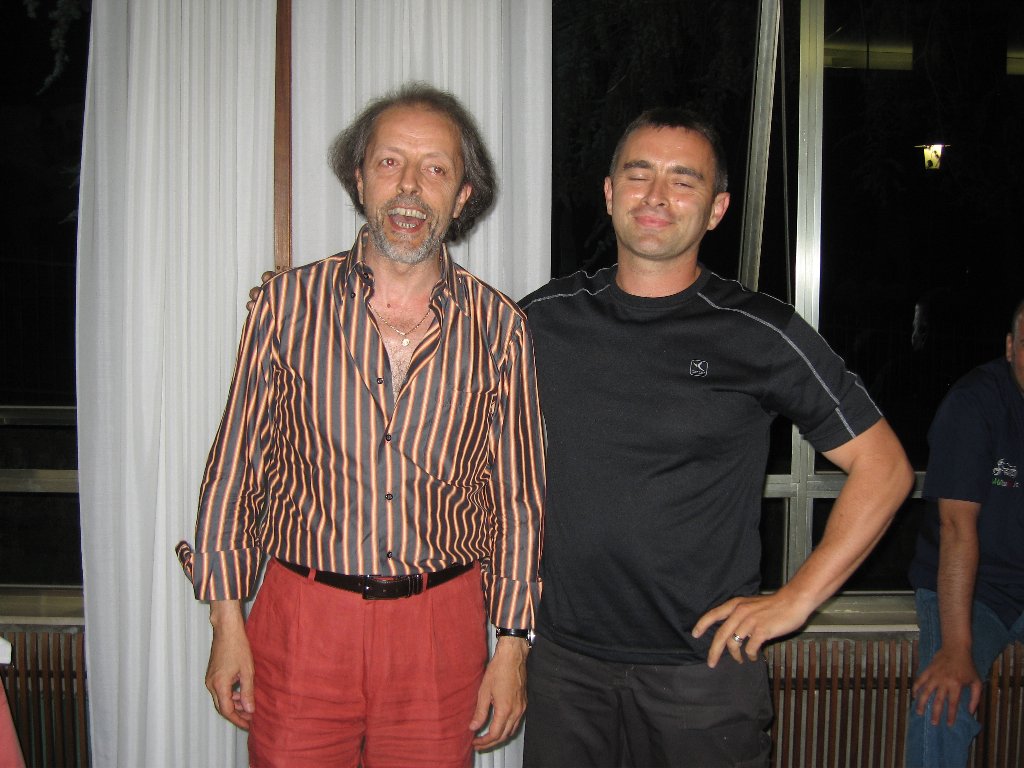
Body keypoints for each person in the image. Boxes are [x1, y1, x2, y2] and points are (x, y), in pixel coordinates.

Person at [518, 107, 914, 767]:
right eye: (638, 174)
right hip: (565, 667)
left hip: (701, 675)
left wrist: (796, 600)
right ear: (610, 193)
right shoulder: (541, 320)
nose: (655, 196)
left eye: (684, 181)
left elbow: (886, 469)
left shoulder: (760, 332)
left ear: (716, 209)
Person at [180, 82, 545, 767]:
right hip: (302, 619)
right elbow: (235, 468)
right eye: (389, 163)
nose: (410, 188)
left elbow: (517, 503)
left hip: (440, 630)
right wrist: (226, 621)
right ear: (359, 178)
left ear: (462, 195)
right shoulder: (285, 306)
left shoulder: (502, 329)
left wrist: (513, 648)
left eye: (435, 169)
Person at [905, 298, 1024, 767]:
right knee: (944, 700)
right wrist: (956, 649)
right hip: (974, 590)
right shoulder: (975, 403)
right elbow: (956, 527)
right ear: (1011, 347)